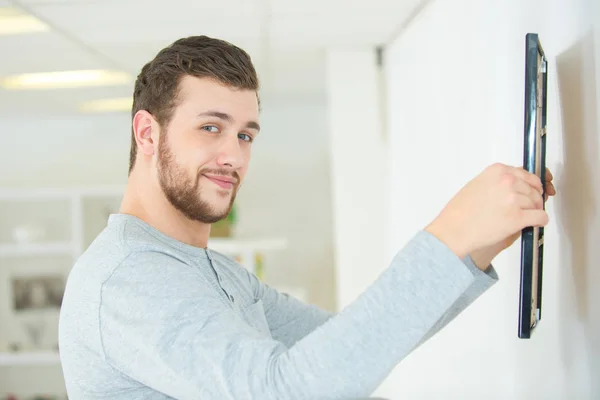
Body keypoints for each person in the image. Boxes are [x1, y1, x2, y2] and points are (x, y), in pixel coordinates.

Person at [58, 35, 556, 400]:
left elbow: (348, 348)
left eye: (246, 135)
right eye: (211, 127)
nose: (233, 155)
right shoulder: (128, 279)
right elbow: (289, 392)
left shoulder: (213, 272)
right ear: (148, 134)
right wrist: (450, 234)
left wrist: (476, 244)